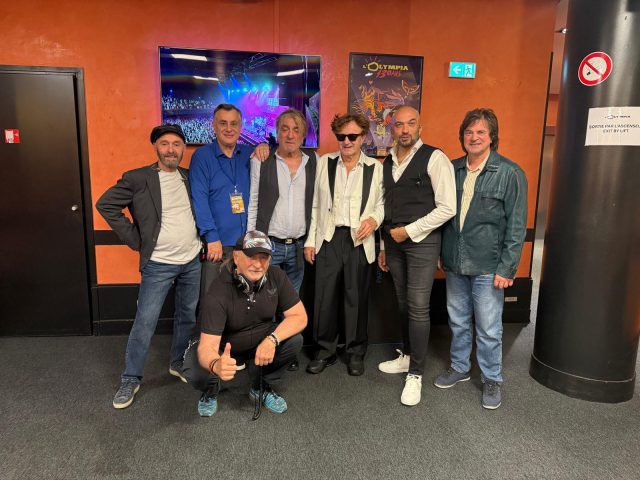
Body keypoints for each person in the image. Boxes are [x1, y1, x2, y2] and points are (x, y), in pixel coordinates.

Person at [96, 124, 202, 409]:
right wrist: (136, 241)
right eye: (165, 143)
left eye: (177, 144)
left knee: (187, 317)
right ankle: (130, 377)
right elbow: (105, 205)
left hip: (192, 260)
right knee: (145, 322)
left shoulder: (189, 177)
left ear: (184, 148)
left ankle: (177, 362)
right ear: (156, 147)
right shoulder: (138, 178)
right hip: (158, 264)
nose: (171, 149)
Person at [434, 108, 527, 410]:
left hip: (489, 266)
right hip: (455, 262)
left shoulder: (510, 173)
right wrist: (442, 253)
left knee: (488, 327)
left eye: (480, 132)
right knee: (458, 321)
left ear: (492, 137)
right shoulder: (451, 169)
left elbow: (516, 225)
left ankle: (491, 378)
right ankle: (460, 367)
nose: (473, 137)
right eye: (469, 132)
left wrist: (508, 268)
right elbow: (442, 216)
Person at [377, 105, 456, 406]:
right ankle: (407, 356)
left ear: (420, 128)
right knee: (403, 302)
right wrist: (384, 246)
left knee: (419, 307)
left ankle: (416, 375)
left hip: (422, 243)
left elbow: (448, 207)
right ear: (392, 129)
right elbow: (385, 205)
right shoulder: (388, 161)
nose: (405, 129)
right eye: (399, 124)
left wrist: (410, 231)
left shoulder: (435, 158)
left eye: (411, 124)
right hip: (393, 243)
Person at [181, 230, 307, 417]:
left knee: (294, 339)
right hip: (223, 346)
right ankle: (210, 390)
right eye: (251, 257)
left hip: (259, 339)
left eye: (263, 258)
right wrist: (215, 364)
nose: (258, 264)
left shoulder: (277, 276)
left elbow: (299, 316)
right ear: (236, 257)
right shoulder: (218, 291)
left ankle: (260, 387)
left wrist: (272, 339)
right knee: (196, 371)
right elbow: (208, 346)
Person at [304, 113, 384, 376]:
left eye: (352, 136)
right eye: (341, 136)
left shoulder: (375, 168)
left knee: (356, 298)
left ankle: (355, 352)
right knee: (324, 299)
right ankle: (324, 351)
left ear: (363, 137)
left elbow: (383, 203)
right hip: (328, 238)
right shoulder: (325, 163)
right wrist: (310, 241)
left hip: (359, 240)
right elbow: (315, 205)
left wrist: (374, 219)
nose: (346, 141)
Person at [247, 108, 317, 371]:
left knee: (290, 303)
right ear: (277, 132)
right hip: (270, 246)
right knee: (264, 301)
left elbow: (317, 204)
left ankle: (286, 349)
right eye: (285, 129)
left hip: (298, 246)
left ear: (303, 134)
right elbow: (254, 202)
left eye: (296, 129)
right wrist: (252, 243)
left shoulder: (314, 161)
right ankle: (263, 350)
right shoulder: (262, 160)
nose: (290, 134)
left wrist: (311, 240)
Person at [189, 104, 269, 298]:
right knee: (213, 300)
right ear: (214, 125)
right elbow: (199, 199)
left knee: (243, 301)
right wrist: (211, 237)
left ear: (240, 126)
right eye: (223, 123)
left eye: (234, 124)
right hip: (218, 245)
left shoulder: (249, 154)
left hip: (246, 245)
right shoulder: (202, 156)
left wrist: (264, 145)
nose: (228, 128)